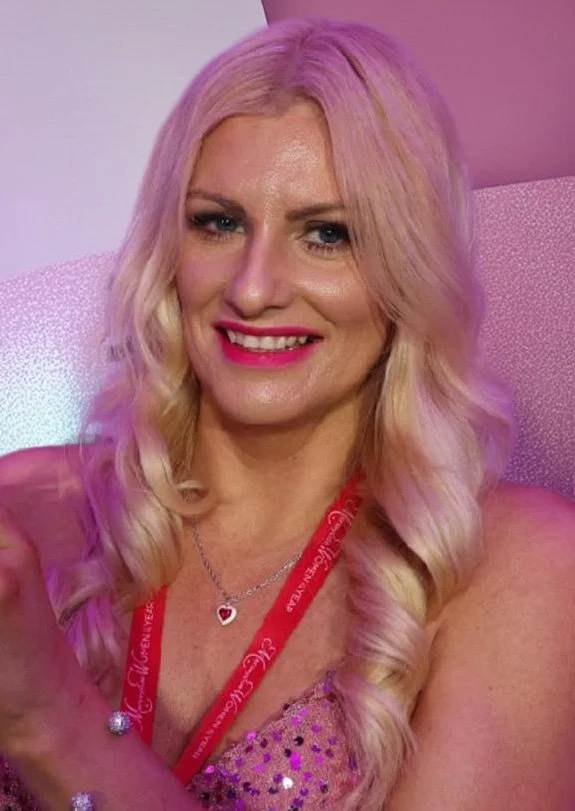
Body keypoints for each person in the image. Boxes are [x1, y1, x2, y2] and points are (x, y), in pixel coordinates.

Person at [1, 16, 575, 811]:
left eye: (327, 234)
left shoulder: (518, 572)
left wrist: (50, 720)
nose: (253, 286)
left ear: (406, 268)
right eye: (219, 222)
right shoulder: (25, 511)